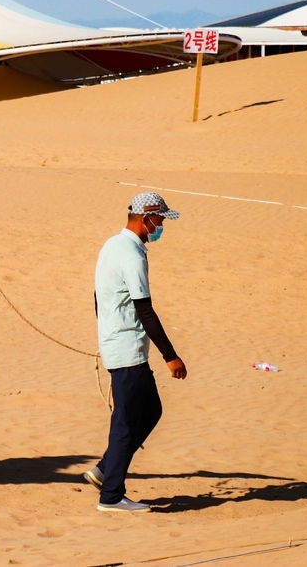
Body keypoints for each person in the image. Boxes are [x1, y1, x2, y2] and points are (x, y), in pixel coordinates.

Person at [85, 192, 188, 512]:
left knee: (150, 410)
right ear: (146, 219)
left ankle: (105, 469)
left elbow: (98, 296)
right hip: (127, 349)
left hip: (119, 343)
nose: (161, 226)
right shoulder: (131, 255)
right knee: (127, 422)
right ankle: (111, 495)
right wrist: (170, 355)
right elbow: (145, 309)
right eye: (159, 220)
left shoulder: (113, 243)